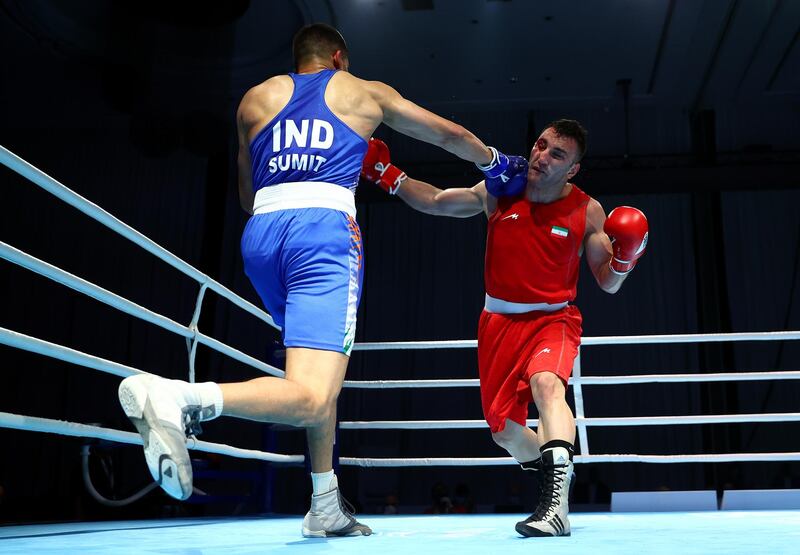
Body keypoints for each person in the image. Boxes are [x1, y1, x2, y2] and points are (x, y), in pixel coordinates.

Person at [117, 22, 526, 538]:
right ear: (338, 58)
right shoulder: (361, 91)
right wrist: (494, 160)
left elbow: (247, 196)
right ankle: (180, 398)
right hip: (322, 234)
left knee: (317, 377)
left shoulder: (254, 99)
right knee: (309, 395)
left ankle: (325, 502)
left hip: (262, 238)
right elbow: (445, 133)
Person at [361, 119, 649, 537]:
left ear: (572, 170)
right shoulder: (500, 193)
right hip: (497, 323)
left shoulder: (587, 210)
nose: (541, 156)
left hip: (554, 318)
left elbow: (607, 281)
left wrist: (626, 259)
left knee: (548, 386)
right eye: (541, 145)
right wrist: (387, 176)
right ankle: (557, 473)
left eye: (557, 154)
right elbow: (438, 201)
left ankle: (555, 510)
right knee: (506, 434)